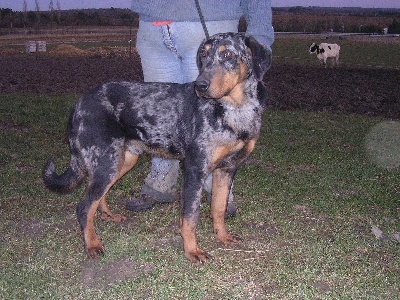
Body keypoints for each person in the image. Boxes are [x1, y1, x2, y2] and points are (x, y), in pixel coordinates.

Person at [126, 0, 274, 217]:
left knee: (217, 125)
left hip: (209, 22)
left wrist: (259, 40)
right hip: (152, 31)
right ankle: (160, 183)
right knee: (160, 122)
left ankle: (218, 195)